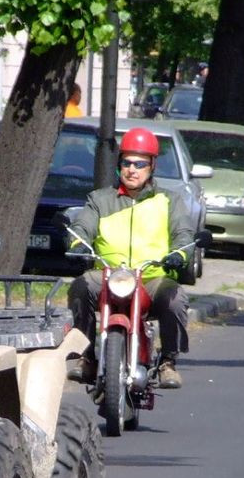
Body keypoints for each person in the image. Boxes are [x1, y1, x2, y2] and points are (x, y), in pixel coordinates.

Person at [66, 127, 195, 389]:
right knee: (81, 286)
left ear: (152, 166)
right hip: (109, 276)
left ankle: (168, 361)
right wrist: (78, 243)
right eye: (126, 162)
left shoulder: (169, 200)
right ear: (119, 164)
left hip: (152, 277)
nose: (132, 170)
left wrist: (179, 254)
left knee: (176, 298)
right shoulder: (100, 199)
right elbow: (82, 227)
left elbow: (184, 234)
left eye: (140, 164)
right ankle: (86, 356)